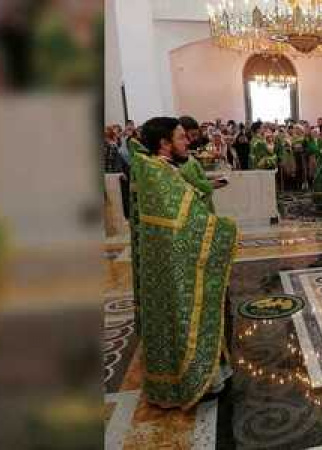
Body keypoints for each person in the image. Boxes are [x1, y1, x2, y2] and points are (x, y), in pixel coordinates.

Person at [131, 117, 236, 409]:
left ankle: (209, 372)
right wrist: (221, 230)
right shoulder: (156, 172)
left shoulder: (160, 168)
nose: (187, 141)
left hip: (175, 257)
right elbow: (182, 219)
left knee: (192, 315)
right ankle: (189, 380)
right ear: (164, 143)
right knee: (185, 316)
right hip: (173, 260)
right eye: (180, 137)